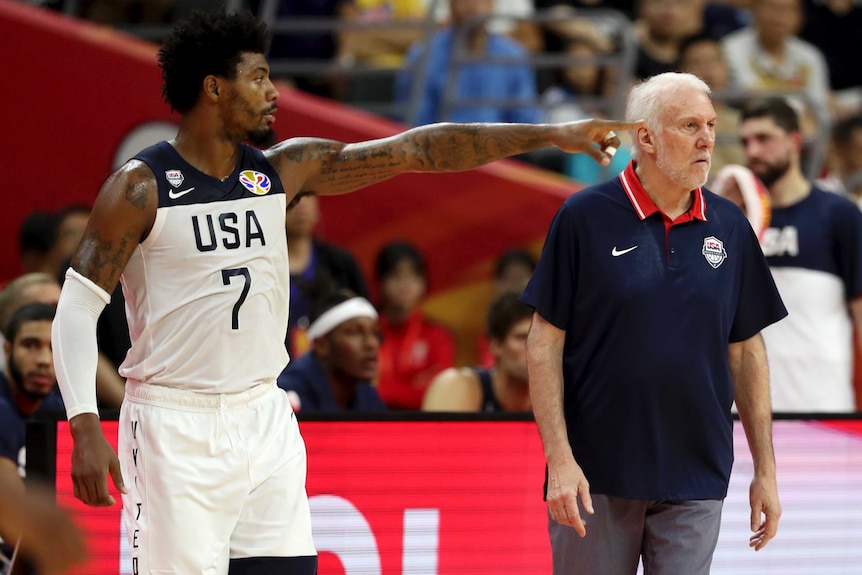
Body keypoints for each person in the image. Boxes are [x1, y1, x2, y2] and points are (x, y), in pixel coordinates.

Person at [50, 9, 636, 575]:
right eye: (257, 77)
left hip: (263, 413)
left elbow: (416, 151)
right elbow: (76, 310)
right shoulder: (140, 187)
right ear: (214, 89)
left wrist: (552, 134)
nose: (273, 90)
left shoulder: (282, 171)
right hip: (174, 424)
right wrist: (83, 427)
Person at [522, 72, 787, 575]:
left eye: (710, 125)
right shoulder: (583, 217)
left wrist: (766, 472)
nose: (708, 138)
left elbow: (747, 351)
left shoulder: (730, 226)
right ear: (645, 137)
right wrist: (559, 460)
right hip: (595, 476)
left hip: (697, 474)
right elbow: (543, 343)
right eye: (690, 125)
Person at [740, 97, 862, 412]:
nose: (752, 151)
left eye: (764, 139)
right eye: (746, 142)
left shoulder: (840, 215)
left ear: (795, 141)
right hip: (745, 412)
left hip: (821, 404)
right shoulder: (730, 222)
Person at [395, 0, 539, 126]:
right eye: (465, 0)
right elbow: (415, 124)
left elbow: (526, 122)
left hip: (501, 153)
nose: (474, 6)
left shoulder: (514, 56)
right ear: (452, 4)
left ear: (492, 4)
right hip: (440, 151)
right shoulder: (423, 55)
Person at [0, 303, 65, 573]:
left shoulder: (58, 409)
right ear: (7, 350)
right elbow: (19, 526)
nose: (44, 360)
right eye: (30, 345)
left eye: (54, 349)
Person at [285, 194, 370, 358]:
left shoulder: (340, 264)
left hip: (333, 369)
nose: (301, 205)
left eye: (307, 195)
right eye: (294, 197)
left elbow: (364, 320)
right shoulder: (260, 266)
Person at [374, 241, 456, 410]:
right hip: (370, 424)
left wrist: (384, 389)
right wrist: (413, 385)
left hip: (423, 426)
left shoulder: (437, 335)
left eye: (414, 276)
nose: (406, 285)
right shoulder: (368, 333)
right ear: (380, 282)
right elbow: (357, 390)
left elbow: (440, 391)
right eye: (396, 276)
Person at [278, 289, 386, 412]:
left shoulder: (365, 392)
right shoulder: (287, 396)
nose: (371, 344)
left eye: (375, 333)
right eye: (355, 333)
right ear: (321, 345)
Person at [423, 291, 532, 412]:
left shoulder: (556, 397)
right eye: (522, 338)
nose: (534, 348)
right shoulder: (457, 387)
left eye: (540, 339)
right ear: (495, 345)